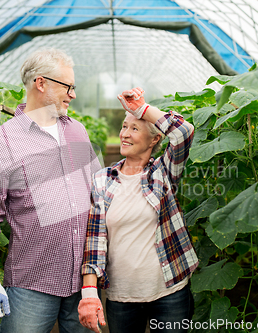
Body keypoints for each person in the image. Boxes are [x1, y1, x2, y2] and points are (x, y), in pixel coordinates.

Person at [0, 48, 101, 333]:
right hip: (33, 282)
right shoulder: (0, 142)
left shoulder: (77, 131)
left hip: (84, 283)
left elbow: (96, 193)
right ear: (41, 83)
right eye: (68, 87)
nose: (73, 95)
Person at [78, 87, 198, 333]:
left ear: (155, 139)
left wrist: (142, 109)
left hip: (169, 290)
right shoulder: (102, 179)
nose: (125, 134)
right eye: (124, 126)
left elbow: (184, 132)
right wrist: (90, 293)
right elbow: (94, 240)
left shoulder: (162, 173)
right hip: (121, 296)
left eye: (135, 128)